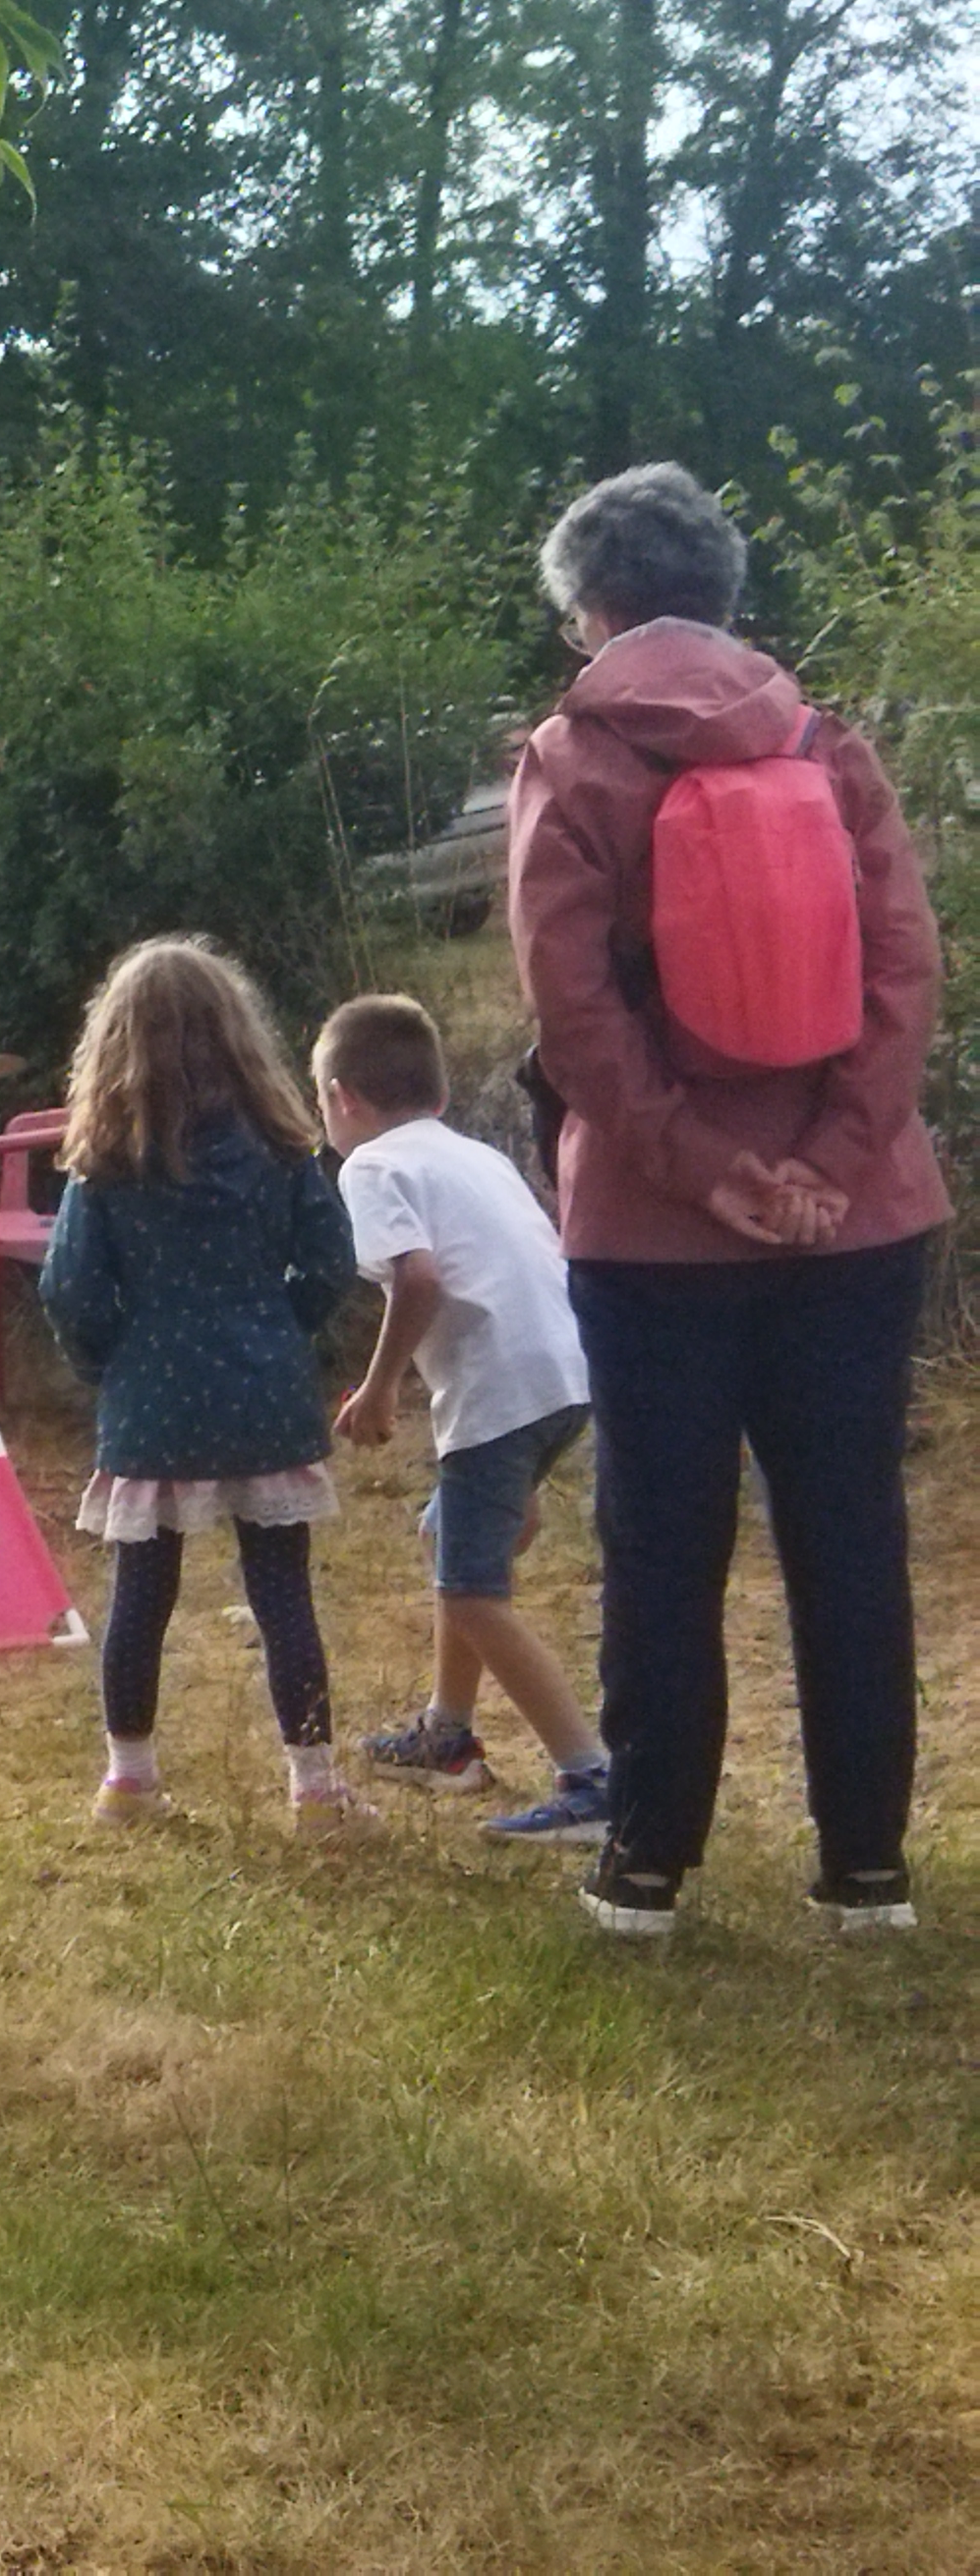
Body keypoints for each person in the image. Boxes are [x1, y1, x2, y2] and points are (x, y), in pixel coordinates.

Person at [509, 462, 947, 1939]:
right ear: (725, 593)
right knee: (848, 1531)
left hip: (654, 1231)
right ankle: (868, 1872)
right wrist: (826, 1164)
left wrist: (709, 1171)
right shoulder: (831, 742)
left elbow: (575, 1022)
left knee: (663, 1538)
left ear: (592, 610)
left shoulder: (572, 759)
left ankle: (647, 1867)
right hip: (864, 1217)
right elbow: (905, 976)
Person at [41, 938, 361, 1838]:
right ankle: (315, 1789)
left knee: (142, 1590)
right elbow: (332, 1262)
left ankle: (129, 1782)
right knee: (281, 1593)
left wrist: (111, 1361)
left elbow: (68, 1288)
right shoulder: (283, 1147)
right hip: (264, 1393)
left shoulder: (107, 1163)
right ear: (238, 1035)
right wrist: (281, 1326)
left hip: (155, 1399)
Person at [315, 993, 611, 1841]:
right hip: (567, 1372)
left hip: (498, 1392)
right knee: (450, 1540)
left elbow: (419, 1280)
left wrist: (379, 1389)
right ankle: (448, 1738)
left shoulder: (368, 1167)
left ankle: (592, 1780)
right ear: (437, 1094)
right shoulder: (472, 1153)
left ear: (342, 1099)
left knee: (473, 1591)